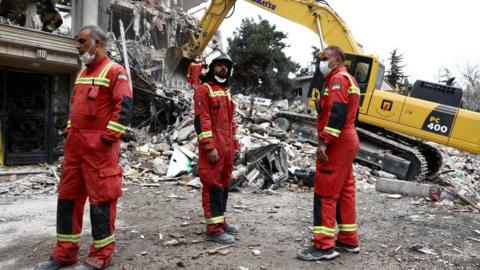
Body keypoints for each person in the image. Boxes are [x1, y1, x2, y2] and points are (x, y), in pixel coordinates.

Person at [34, 25, 133, 270]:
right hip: (76, 149)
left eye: (81, 41)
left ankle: (100, 256)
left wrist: (107, 139)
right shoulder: (81, 73)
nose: (77, 45)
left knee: (101, 202)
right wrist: (70, 132)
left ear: (96, 43)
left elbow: (125, 110)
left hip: (99, 150)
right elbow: (75, 109)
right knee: (67, 199)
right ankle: (64, 253)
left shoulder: (115, 71)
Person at [297, 45, 361, 261]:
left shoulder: (337, 80)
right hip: (347, 139)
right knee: (344, 190)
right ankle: (348, 239)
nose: (321, 62)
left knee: (325, 191)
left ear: (338, 60)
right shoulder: (348, 79)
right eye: (320, 57)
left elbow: (336, 113)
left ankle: (324, 246)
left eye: (325, 58)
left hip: (338, 141)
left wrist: (324, 142)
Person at [193, 51, 240, 244]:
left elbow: (231, 122)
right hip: (213, 149)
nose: (224, 68)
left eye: (226, 65)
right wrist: (209, 147)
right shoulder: (204, 90)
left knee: (223, 186)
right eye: (220, 65)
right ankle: (213, 229)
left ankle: (221, 221)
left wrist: (235, 145)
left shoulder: (225, 90)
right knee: (213, 186)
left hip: (227, 149)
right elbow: (202, 121)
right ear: (211, 67)